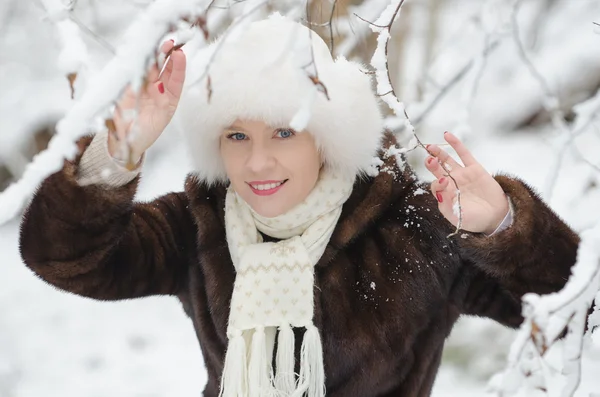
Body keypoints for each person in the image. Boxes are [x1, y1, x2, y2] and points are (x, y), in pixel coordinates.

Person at [19, 14, 580, 397]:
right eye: (236, 136)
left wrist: (505, 227)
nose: (258, 163)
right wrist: (120, 151)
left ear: (327, 134)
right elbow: (66, 258)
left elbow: (574, 311)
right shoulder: (199, 223)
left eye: (284, 132)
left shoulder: (411, 227)